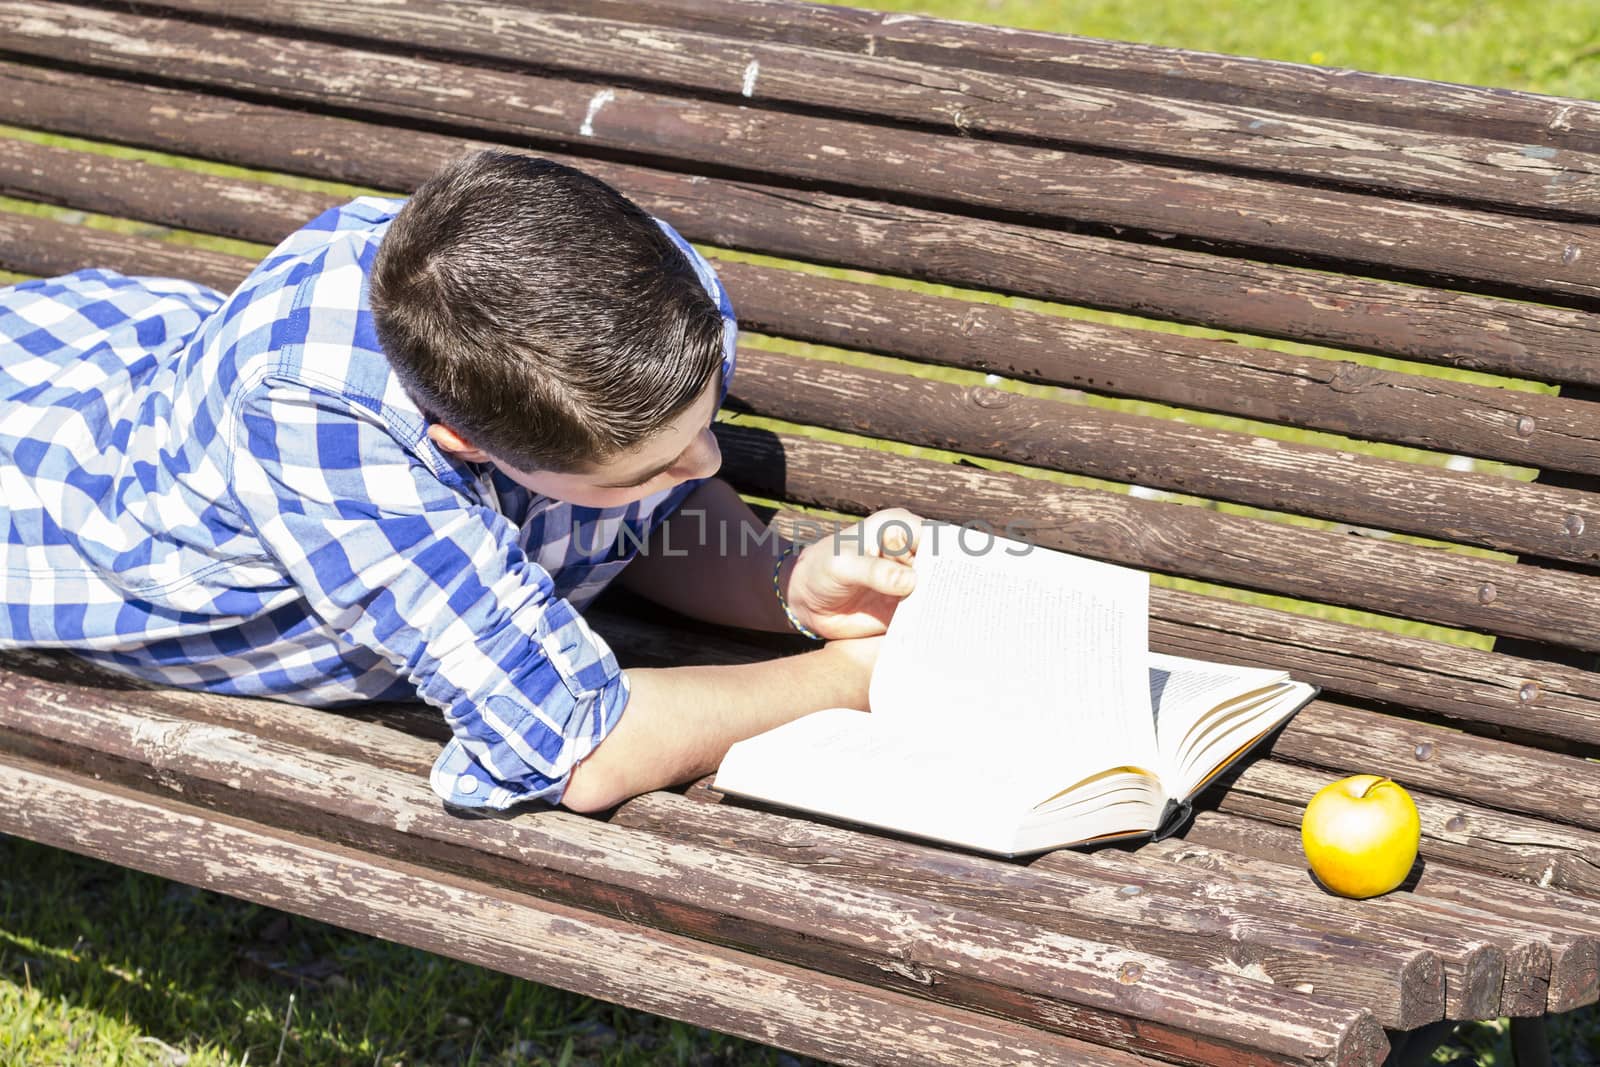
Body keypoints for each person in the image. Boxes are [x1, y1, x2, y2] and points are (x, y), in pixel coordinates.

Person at [0, 149, 922, 814]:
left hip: (124, 356)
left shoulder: (656, 292)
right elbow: (576, 744)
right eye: (654, 465)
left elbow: (636, 512)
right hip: (44, 492)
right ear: (463, 446)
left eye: (703, 422)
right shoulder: (330, 437)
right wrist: (849, 678)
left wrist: (784, 584)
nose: (709, 465)